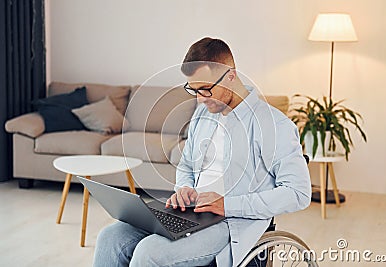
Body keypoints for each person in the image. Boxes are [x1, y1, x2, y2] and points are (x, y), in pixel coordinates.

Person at [93, 37, 311, 267]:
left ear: (230, 75)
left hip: (233, 221)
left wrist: (226, 204)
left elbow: (298, 193)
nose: (199, 98)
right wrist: (184, 188)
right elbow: (187, 164)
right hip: (191, 213)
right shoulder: (203, 114)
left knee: (150, 253)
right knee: (111, 237)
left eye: (206, 89)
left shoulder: (273, 125)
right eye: (193, 89)